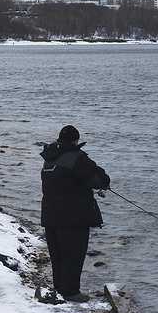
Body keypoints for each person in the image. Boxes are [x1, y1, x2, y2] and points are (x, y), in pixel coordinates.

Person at [40, 125, 110, 303]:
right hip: (73, 216)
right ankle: (71, 292)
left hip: (50, 214)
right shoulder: (77, 158)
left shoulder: (49, 157)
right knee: (73, 254)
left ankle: (59, 288)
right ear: (75, 140)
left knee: (57, 255)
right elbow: (100, 179)